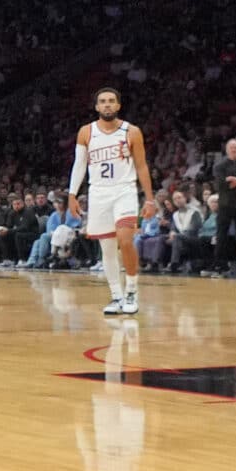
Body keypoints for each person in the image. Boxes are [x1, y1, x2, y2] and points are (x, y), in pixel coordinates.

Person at [69, 88, 153, 316]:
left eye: (111, 101)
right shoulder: (86, 132)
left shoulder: (131, 131)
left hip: (124, 190)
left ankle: (132, 291)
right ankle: (116, 296)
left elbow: (142, 166)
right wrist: (72, 194)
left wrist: (150, 199)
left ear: (118, 106)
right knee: (106, 248)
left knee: (125, 241)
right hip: (98, 193)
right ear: (96, 107)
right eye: (102, 102)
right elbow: (79, 165)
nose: (107, 105)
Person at [212, 136, 236, 276]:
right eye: (231, 147)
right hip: (225, 205)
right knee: (221, 236)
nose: (234, 150)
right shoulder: (220, 166)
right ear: (227, 149)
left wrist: (233, 180)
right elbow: (221, 183)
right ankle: (219, 267)